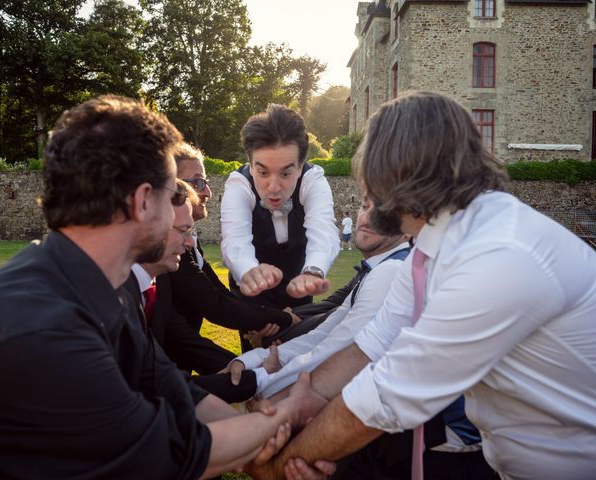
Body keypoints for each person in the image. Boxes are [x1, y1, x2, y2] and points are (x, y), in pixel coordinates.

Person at [0, 95, 326, 479]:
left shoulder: (102, 289)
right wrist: (289, 412)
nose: (179, 212)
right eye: (173, 195)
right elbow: (170, 453)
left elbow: (174, 389)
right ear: (143, 201)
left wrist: (270, 436)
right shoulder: (44, 329)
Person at [249, 91, 596, 480]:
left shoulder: (499, 257)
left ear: (397, 172)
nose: (365, 189)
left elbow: (388, 397)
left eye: (370, 170)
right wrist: (293, 404)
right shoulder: (435, 246)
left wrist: (277, 466)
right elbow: (371, 346)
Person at [224, 194, 411, 399]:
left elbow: (334, 350)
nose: (368, 217)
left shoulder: (390, 271)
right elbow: (323, 335)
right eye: (365, 206)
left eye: (384, 212)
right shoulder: (381, 268)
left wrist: (260, 384)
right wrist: (254, 359)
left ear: (409, 229)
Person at [125, 180, 257, 402]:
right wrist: (253, 381)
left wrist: (247, 374)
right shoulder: (112, 297)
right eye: (183, 231)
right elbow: (140, 393)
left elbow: (158, 374)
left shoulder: (149, 287)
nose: (189, 244)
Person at [169, 143, 298, 345]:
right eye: (198, 183)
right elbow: (215, 305)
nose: (208, 193)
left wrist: (268, 317)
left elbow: (220, 295)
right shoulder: (170, 248)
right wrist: (284, 318)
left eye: (206, 182)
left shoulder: (191, 244)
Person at [220, 104, 340, 313]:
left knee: (297, 343)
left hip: (299, 288)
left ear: (301, 166)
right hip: (251, 292)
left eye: (285, 174)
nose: (274, 188)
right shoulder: (239, 184)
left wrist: (313, 272)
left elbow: (324, 230)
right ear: (250, 163)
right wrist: (250, 272)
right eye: (263, 173)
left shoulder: (312, 180)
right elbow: (234, 238)